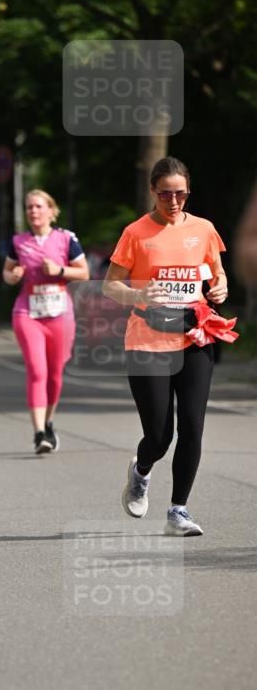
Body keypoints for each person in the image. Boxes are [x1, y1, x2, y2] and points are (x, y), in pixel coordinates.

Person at [103, 156, 230, 537]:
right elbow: (111, 285)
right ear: (153, 192)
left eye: (180, 194)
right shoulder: (136, 233)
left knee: (192, 426)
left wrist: (220, 287)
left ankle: (179, 510)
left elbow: (215, 271)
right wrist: (139, 293)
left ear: (188, 192)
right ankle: (141, 471)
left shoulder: (204, 229)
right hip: (148, 340)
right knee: (160, 436)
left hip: (195, 337)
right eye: (165, 194)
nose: (173, 201)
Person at [3, 189, 89, 453]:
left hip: (60, 313)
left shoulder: (65, 239)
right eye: (29, 207)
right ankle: (40, 432)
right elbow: (6, 273)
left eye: (39, 206)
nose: (34, 211)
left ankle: (49, 422)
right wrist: (13, 275)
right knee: (37, 371)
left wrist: (60, 270)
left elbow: (84, 273)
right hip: (27, 312)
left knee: (54, 375)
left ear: (52, 211)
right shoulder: (19, 242)